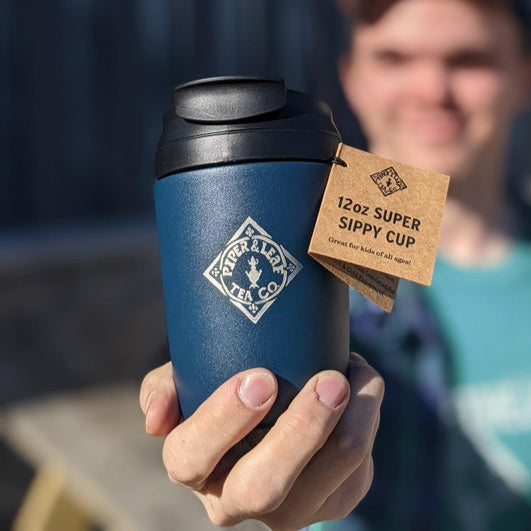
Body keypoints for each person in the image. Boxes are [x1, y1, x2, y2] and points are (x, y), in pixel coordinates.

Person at [140, 0, 531, 529]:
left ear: (524, 75)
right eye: (394, 58)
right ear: (353, 77)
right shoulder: (317, 272)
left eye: (468, 60)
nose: (431, 90)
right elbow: (208, 335)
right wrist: (216, 420)